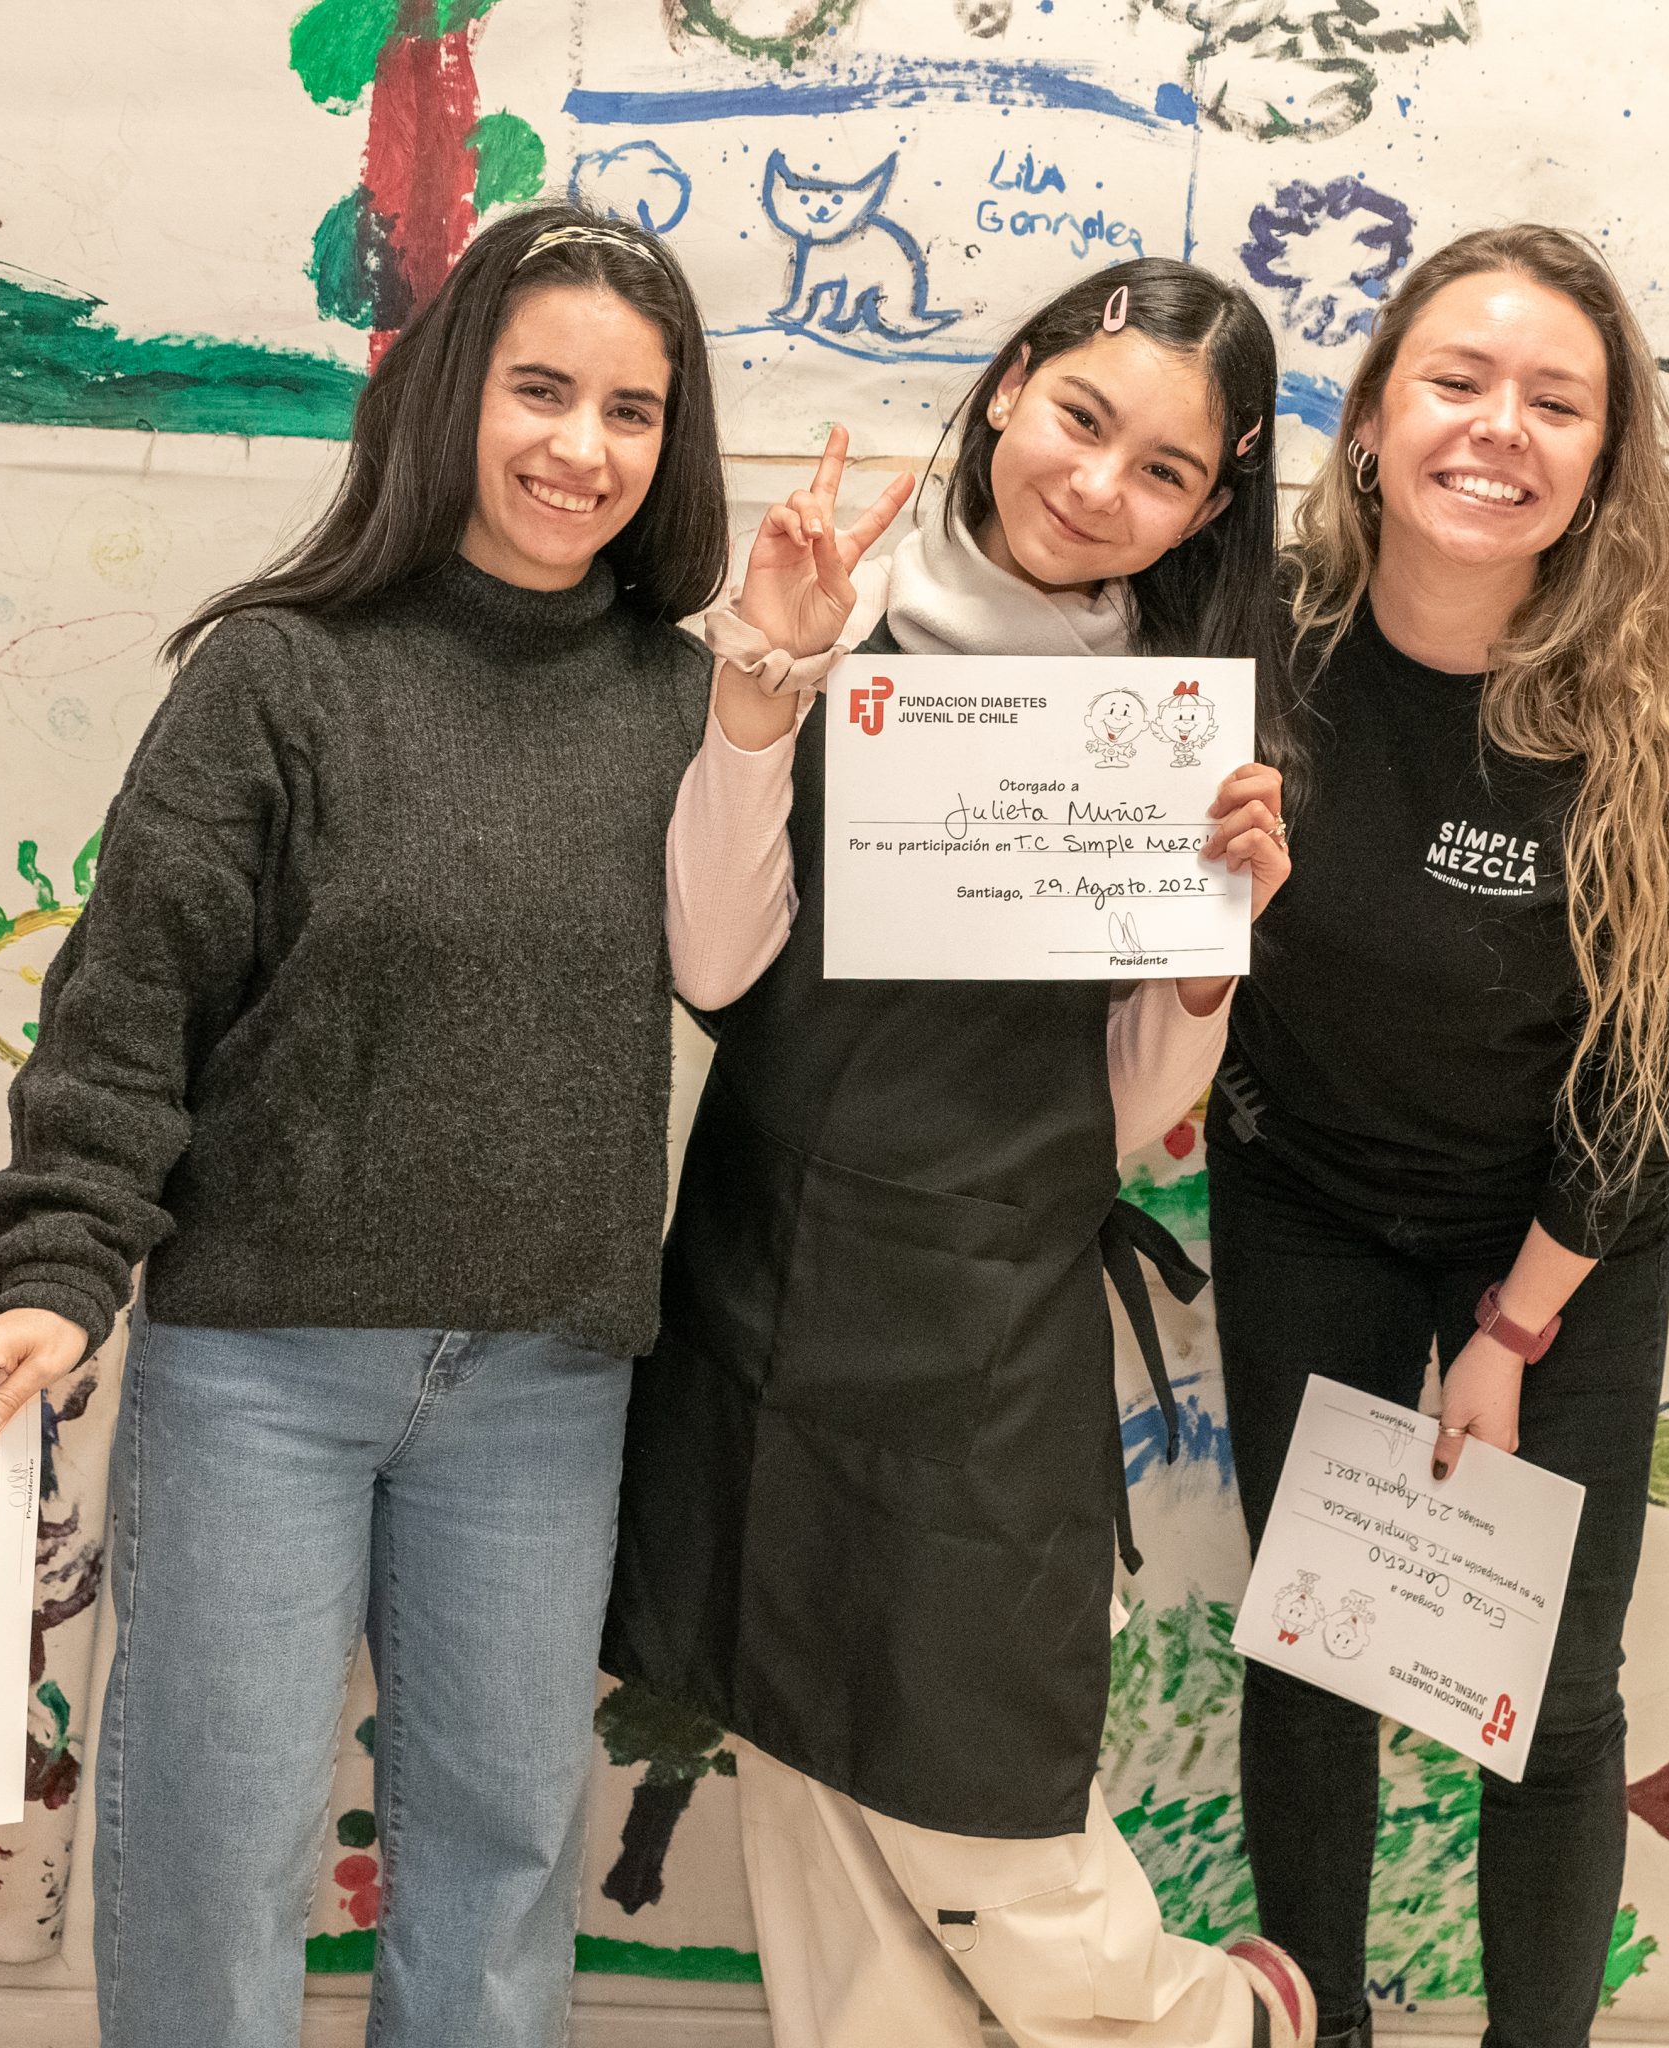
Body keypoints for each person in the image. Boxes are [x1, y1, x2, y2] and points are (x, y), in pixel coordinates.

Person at [0, 204, 797, 2048]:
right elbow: (133, 994)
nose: (583, 448)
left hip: (548, 1380)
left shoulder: (684, 703)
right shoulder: (280, 672)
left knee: (501, 1864)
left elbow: (740, 976)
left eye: (634, 411)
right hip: (262, 1365)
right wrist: (58, 1265)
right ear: (451, 395)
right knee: (217, 1848)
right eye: (542, 390)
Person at [602, 259, 1319, 2048]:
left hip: (990, 1316)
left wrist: (1214, 947)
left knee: (976, 1796)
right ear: (1010, 387)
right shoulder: (826, 615)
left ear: (1209, 507)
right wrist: (761, 686)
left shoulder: (1176, 721)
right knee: (810, 1805)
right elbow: (713, 967)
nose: (1099, 484)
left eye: (1164, 470)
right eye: (1082, 417)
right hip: (767, 1278)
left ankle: (1217, 2029)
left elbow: (1136, 1111)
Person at [1209, 224, 1669, 2048]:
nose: (1498, 428)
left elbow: (1651, 1079)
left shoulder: (1653, 728)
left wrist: (1512, 1331)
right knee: (1312, 1651)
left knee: (1555, 1694)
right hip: (1306, 1201)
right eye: (1456, 380)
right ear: (1372, 417)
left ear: (1603, 458)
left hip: (1558, 1237)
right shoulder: (1252, 651)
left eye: (1555, 401)